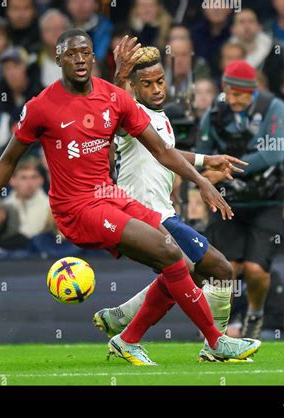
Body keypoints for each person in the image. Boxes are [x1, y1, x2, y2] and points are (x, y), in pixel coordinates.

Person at [0, 29, 261, 365]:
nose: (79, 58)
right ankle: (216, 341)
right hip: (75, 208)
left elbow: (162, 151)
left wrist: (201, 180)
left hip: (110, 197)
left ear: (93, 57)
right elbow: (8, 160)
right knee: (169, 252)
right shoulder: (41, 107)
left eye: (85, 52)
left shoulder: (113, 97)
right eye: (71, 53)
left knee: (173, 257)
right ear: (58, 59)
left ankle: (129, 337)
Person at [94, 43, 258, 362]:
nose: (156, 89)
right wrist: (118, 75)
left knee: (187, 273)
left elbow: (166, 151)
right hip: (145, 216)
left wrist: (205, 160)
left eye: (160, 82)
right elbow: (111, 109)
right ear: (133, 86)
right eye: (146, 84)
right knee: (221, 269)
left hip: (159, 215)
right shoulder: (131, 114)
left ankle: (124, 327)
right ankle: (217, 344)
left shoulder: (158, 116)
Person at [196, 59, 284, 339]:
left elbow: (274, 154)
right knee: (227, 267)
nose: (233, 99)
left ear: (253, 91)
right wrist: (207, 173)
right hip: (228, 201)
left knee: (255, 270)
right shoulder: (214, 113)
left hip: (267, 201)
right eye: (229, 92)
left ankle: (255, 312)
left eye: (240, 94)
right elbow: (202, 154)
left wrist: (225, 167)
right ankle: (215, 328)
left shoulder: (274, 108)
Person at [5, 157, 54, 238]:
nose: (29, 182)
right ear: (12, 181)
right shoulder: (4, 206)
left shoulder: (51, 206)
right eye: (23, 178)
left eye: (34, 177)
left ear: (41, 180)